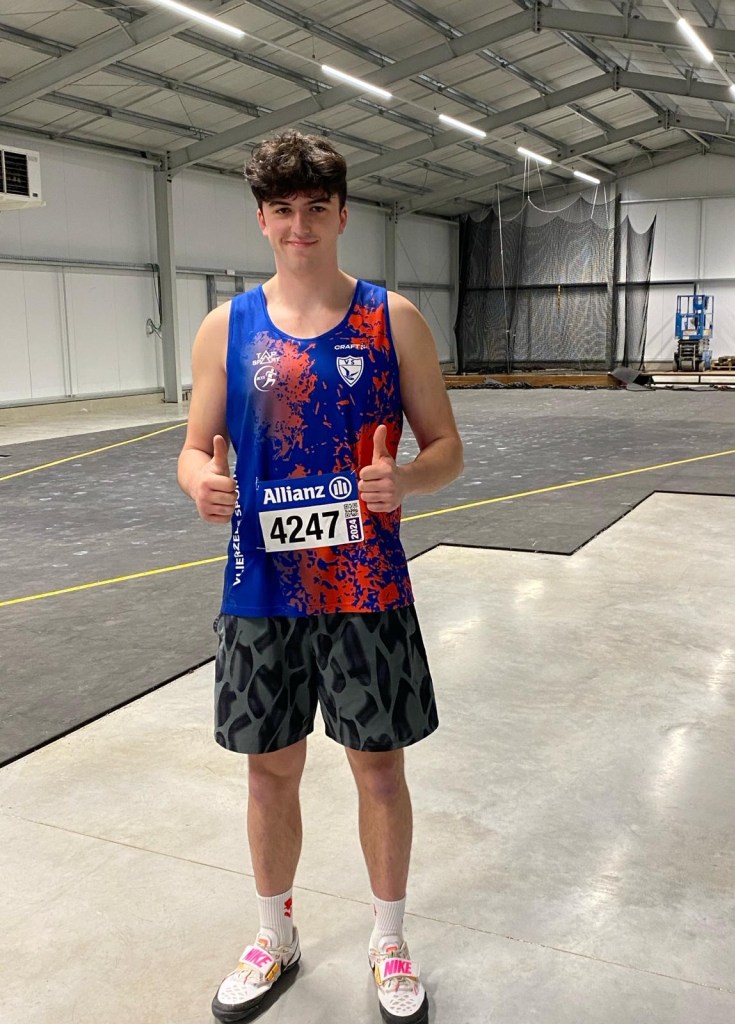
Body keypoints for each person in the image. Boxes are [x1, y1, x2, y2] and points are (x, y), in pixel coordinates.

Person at [178, 130, 463, 1024]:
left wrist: (406, 480)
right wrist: (201, 483)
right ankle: (275, 935)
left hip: (366, 586)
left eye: (315, 208)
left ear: (342, 215)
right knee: (270, 772)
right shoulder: (226, 328)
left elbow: (448, 448)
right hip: (261, 588)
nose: (299, 226)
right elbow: (192, 449)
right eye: (282, 211)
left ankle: (389, 939)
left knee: (378, 770)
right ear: (262, 221)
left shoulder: (393, 320)